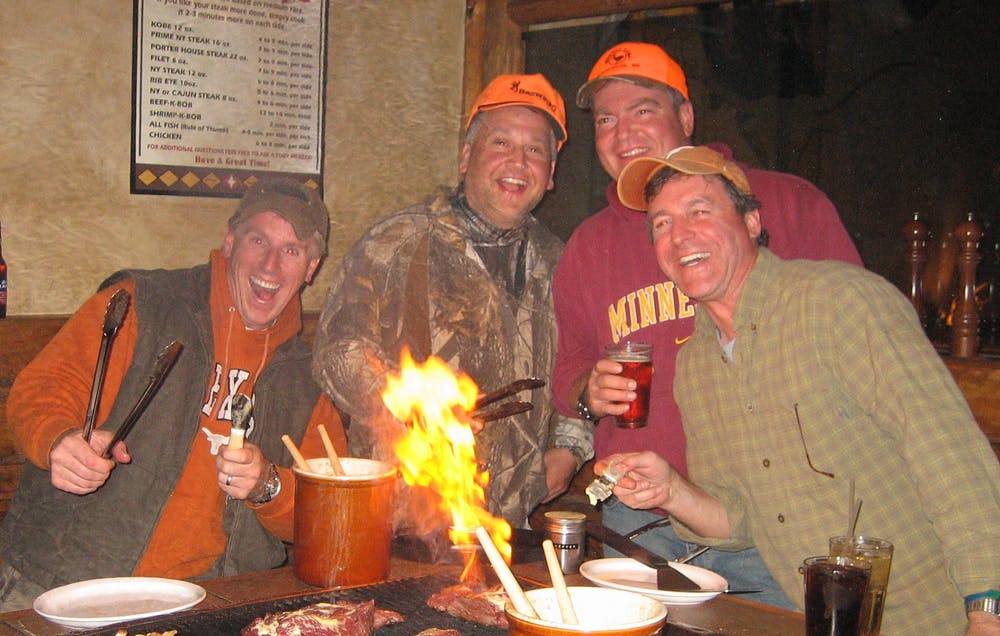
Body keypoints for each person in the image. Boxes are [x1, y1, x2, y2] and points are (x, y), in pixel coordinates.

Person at [597, 144, 1000, 634]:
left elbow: (950, 455)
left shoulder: (839, 302)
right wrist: (672, 490)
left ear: (751, 222)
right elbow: (740, 521)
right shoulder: (695, 365)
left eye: (699, 211)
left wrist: (987, 610)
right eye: (662, 224)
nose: (679, 235)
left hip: (936, 618)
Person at [551, 41, 862, 607]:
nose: (623, 133)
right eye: (605, 120)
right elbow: (567, 367)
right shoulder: (587, 245)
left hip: (775, 519)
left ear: (686, 117)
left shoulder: (786, 202)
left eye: (643, 110)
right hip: (640, 517)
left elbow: (861, 346)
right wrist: (587, 393)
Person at [0, 178, 346, 611]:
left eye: (291, 251)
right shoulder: (142, 304)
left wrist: (268, 485)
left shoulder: (305, 383)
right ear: (229, 241)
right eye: (258, 240)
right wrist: (59, 441)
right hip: (67, 581)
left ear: (311, 268)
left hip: (209, 600)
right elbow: (41, 389)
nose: (270, 265)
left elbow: (327, 516)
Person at [312, 73, 591, 531]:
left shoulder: (563, 263)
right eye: (501, 142)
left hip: (507, 527)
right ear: (466, 156)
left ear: (552, 174)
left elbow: (579, 365)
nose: (518, 162)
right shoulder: (396, 243)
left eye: (535, 150)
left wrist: (569, 447)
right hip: (402, 521)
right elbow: (337, 352)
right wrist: (411, 403)